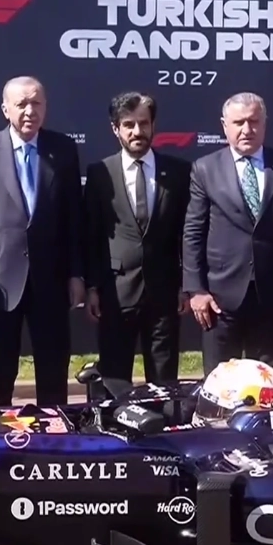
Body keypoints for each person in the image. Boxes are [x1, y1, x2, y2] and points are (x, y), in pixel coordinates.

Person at [0, 76, 84, 406]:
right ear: (6, 109)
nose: (30, 111)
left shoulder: (63, 149)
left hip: (51, 277)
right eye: (22, 104)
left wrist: (76, 273)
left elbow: (74, 216)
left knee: (53, 368)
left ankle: (53, 430)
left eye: (36, 103)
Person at [182, 92, 273, 374]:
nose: (247, 129)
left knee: (267, 381)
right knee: (219, 382)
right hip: (220, 299)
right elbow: (193, 232)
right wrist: (196, 290)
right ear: (224, 126)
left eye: (254, 121)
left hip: (272, 295)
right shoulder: (205, 169)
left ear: (265, 123)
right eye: (238, 122)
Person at [84, 92, 190, 393]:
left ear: (153, 125)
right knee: (114, 382)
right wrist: (92, 288)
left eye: (143, 123)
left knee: (164, 383)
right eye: (128, 125)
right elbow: (91, 235)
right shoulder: (100, 173)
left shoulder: (179, 172)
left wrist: (186, 286)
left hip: (165, 293)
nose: (137, 131)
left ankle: (164, 423)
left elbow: (188, 233)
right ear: (115, 129)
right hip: (115, 293)